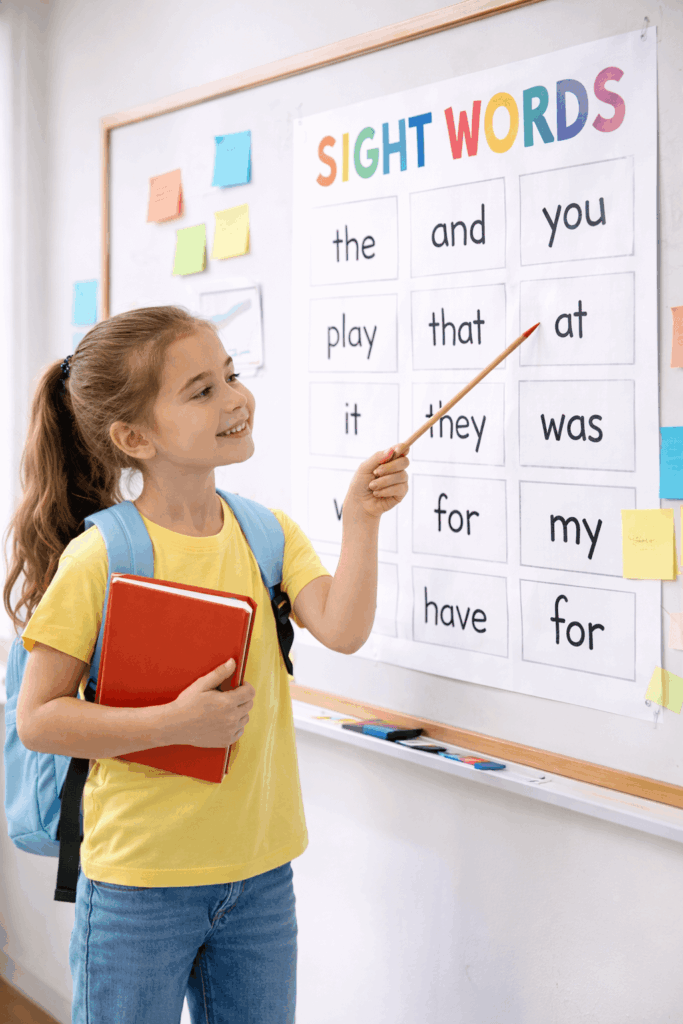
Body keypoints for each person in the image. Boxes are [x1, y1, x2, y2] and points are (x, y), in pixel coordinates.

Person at [3, 306, 409, 1024]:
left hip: (258, 875)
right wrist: (176, 723)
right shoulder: (100, 557)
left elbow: (342, 629)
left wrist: (362, 519)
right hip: (138, 884)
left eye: (231, 375)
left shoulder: (266, 532)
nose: (234, 399)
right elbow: (39, 720)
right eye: (200, 390)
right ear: (134, 437)